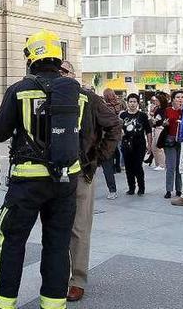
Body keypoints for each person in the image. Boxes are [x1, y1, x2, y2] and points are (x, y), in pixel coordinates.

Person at [0, 30, 88, 309]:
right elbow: (85, 136)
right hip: (65, 180)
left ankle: (1, 303)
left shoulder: (19, 90)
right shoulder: (78, 94)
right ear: (58, 58)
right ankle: (53, 303)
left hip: (27, 180)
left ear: (31, 59)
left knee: (11, 239)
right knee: (57, 242)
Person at [61, 61, 121, 302]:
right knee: (56, 227)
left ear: (74, 75)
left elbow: (114, 126)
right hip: (53, 175)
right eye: (57, 71)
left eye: (65, 71)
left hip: (81, 173)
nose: (60, 74)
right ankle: (57, 275)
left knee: (79, 228)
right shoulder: (48, 96)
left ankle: (77, 280)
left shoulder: (90, 99)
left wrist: (97, 158)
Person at [120, 94, 151, 196]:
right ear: (127, 103)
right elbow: (118, 129)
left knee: (138, 166)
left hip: (139, 144)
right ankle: (131, 188)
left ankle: (141, 188)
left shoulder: (143, 115)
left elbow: (148, 131)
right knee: (128, 167)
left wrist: (149, 144)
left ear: (138, 103)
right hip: (126, 144)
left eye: (134, 102)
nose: (132, 104)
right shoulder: (123, 115)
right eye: (130, 102)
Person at [162, 90, 183, 199]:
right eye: (177, 97)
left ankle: (179, 189)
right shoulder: (168, 110)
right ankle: (168, 190)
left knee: (180, 166)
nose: (180, 99)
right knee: (171, 166)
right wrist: (164, 123)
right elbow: (161, 122)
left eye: (182, 97)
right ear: (173, 99)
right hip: (170, 141)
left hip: (182, 141)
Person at [103, 88, 124, 173]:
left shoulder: (105, 106)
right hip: (119, 129)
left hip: (110, 130)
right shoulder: (120, 103)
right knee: (118, 148)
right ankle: (118, 166)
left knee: (111, 150)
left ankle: (112, 167)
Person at [146, 93, 167, 171]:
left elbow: (161, 120)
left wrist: (154, 120)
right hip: (155, 128)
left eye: (157, 100)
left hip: (160, 128)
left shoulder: (163, 109)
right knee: (153, 147)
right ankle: (158, 163)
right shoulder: (157, 108)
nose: (155, 102)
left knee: (159, 147)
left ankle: (162, 164)